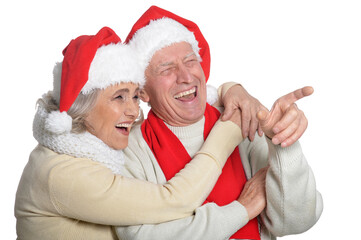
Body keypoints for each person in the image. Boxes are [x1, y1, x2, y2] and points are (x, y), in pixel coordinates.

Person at [15, 27, 257, 240]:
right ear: (82, 106)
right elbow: (174, 201)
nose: (133, 110)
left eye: (133, 96)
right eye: (119, 97)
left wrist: (230, 90)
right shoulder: (61, 172)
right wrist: (228, 132)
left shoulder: (97, 148)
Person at [116, 6, 323, 240]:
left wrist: (284, 143)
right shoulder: (130, 148)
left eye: (190, 61)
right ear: (142, 91)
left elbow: (296, 221)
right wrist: (241, 210)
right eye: (167, 69)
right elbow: (139, 236)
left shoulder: (241, 120)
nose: (186, 76)